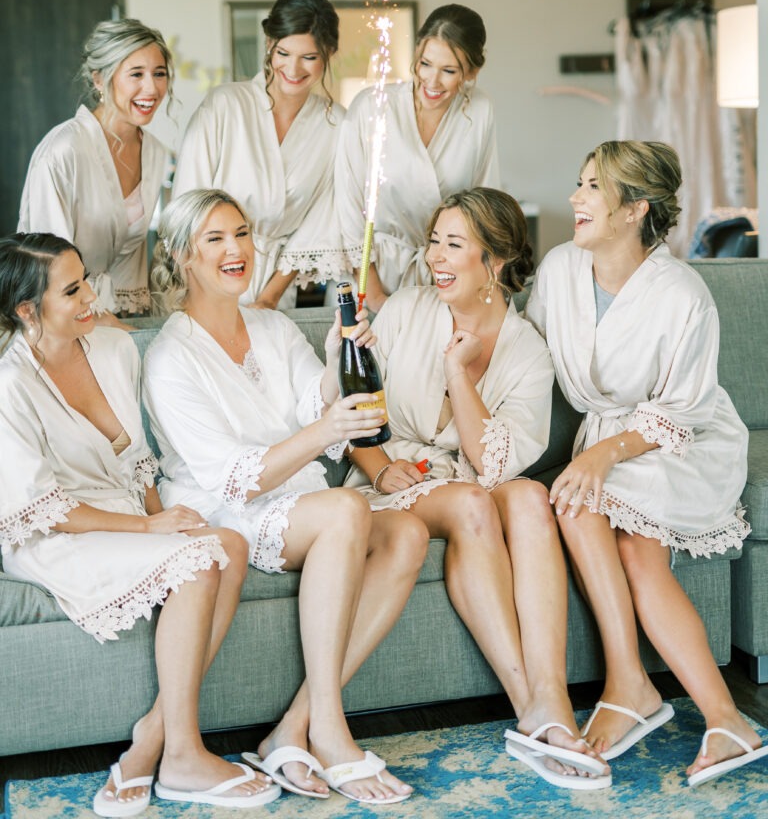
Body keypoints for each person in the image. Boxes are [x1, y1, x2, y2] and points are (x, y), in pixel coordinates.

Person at [143, 189, 428, 805]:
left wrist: (336, 359)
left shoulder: (272, 326)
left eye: (242, 233)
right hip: (223, 509)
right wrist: (327, 430)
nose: (236, 249)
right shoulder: (169, 357)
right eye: (215, 238)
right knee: (347, 507)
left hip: (294, 496)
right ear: (183, 256)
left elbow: (310, 401)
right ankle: (329, 727)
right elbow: (234, 479)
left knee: (407, 532)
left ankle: (293, 727)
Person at [0, 232, 277, 816]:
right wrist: (152, 533)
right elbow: (44, 508)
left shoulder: (114, 349)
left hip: (122, 512)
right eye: (71, 291)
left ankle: (152, 738)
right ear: (27, 310)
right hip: (55, 534)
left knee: (227, 543)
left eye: (86, 280)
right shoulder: (9, 383)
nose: (90, 297)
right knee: (199, 561)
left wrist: (158, 515)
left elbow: (137, 460)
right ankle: (182, 755)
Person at [344, 187, 610, 790]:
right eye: (433, 241)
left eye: (453, 245)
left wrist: (458, 374)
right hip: (396, 477)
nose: (434, 257)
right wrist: (378, 467)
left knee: (529, 497)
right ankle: (532, 708)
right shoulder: (405, 311)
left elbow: (493, 466)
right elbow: (351, 413)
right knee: (472, 502)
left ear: (495, 261)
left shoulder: (528, 351)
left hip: (471, 480)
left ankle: (552, 697)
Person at [525, 140, 766, 786]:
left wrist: (602, 454)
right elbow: (526, 352)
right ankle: (718, 718)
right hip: (609, 441)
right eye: (579, 182)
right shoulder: (558, 269)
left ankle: (640, 688)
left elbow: (684, 409)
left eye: (592, 187)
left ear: (635, 209)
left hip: (681, 442)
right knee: (620, 538)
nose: (574, 198)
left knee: (587, 508)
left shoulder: (683, 294)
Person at [172, 0, 347, 308]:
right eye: (284, 53)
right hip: (204, 285)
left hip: (275, 293)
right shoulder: (224, 105)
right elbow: (186, 209)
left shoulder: (336, 124)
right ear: (268, 43)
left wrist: (268, 298)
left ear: (329, 53)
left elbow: (321, 222)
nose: (293, 69)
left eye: (309, 57)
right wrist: (202, 301)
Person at [335, 4, 499, 312]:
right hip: (375, 278)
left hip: (451, 278)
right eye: (425, 64)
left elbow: (485, 203)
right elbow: (349, 210)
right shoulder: (371, 107)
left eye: (449, 71)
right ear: (416, 53)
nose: (432, 81)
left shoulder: (479, 110)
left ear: (472, 72)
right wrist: (376, 297)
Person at [18, 19, 173, 323]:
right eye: (136, 74)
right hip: (63, 321)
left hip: (125, 316)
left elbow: (132, 256)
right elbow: (46, 264)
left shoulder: (155, 152)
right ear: (100, 80)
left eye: (159, 73)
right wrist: (102, 320)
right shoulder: (63, 150)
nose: (152, 88)